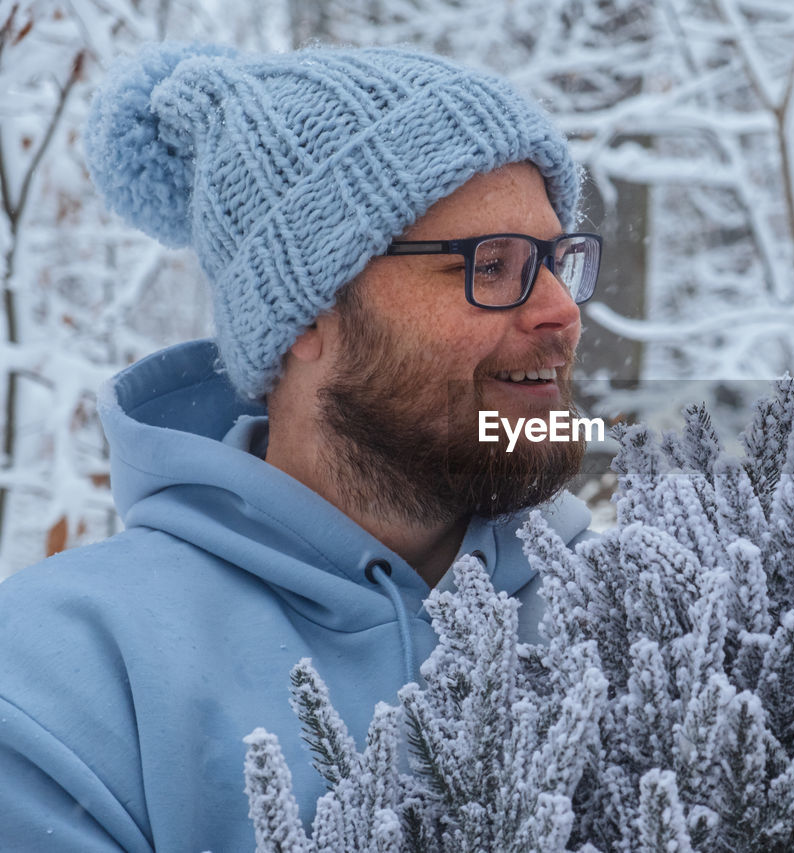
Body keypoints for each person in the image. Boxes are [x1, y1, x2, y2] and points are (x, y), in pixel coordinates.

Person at [0, 42, 601, 850]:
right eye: (493, 265)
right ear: (310, 311)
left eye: (559, 263)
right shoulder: (63, 680)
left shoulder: (643, 613)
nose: (562, 311)